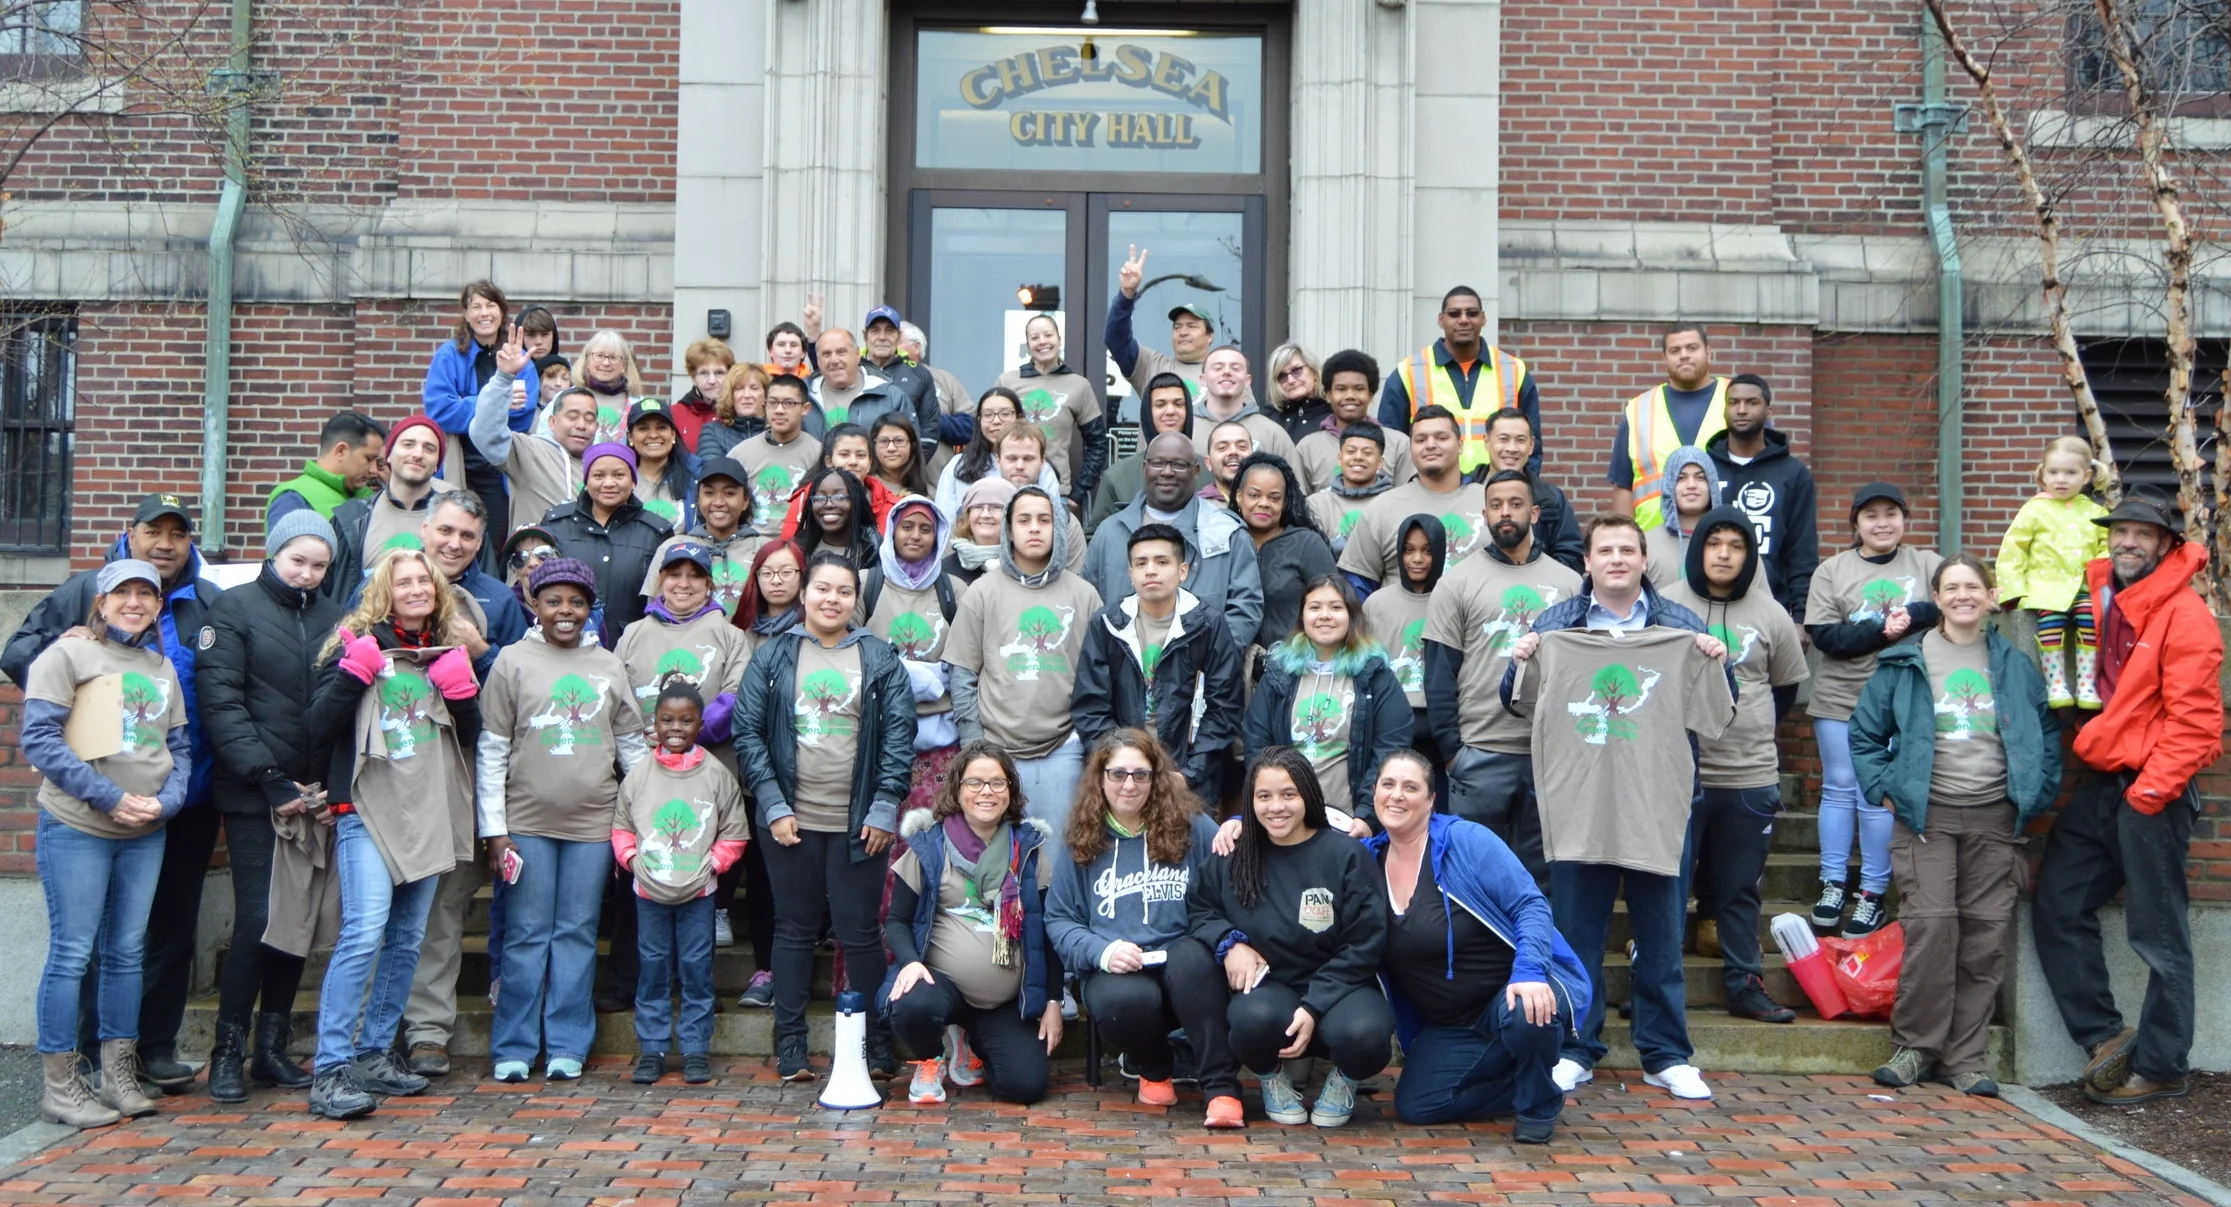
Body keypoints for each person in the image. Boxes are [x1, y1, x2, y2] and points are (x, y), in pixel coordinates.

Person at [1501, 514, 1734, 1102]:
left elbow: (1717, 708)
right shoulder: (1557, 626)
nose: (1617, 559)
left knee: (1661, 935)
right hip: (1580, 805)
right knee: (1576, 934)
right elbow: (1515, 700)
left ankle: (1666, 1054)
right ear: (1587, 562)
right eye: (1605, 550)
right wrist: (1522, 656)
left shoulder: (1679, 625)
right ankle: (1576, 1048)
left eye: (1627, 550)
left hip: (1659, 805)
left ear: (1644, 560)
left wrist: (1715, 658)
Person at [3, 493, 226, 1095]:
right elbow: (18, 651)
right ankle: (79, 1059)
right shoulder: (84, 593)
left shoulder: (208, 601)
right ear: (130, 535)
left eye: (178, 534)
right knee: (93, 942)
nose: (165, 543)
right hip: (93, 799)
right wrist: (73, 654)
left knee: (168, 933)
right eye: (154, 531)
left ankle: (149, 1051)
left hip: (182, 795)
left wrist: (177, 791)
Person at [2034, 493, 2223, 1106]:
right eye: (2121, 532)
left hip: (2152, 789)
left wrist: (2149, 793)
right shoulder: (2104, 598)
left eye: (2144, 534)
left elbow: (2197, 722)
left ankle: (2164, 1064)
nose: (2129, 543)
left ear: (2166, 545)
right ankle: (2106, 1039)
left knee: (2157, 930)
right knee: (2059, 903)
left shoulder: (2185, 613)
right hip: (2104, 781)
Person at [1851, 555, 2060, 1097]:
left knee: (1985, 937)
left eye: (1973, 587)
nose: (1963, 595)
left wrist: (2036, 793)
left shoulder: (2015, 665)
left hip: (1996, 819)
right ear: (1937, 597)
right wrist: (1887, 790)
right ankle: (1917, 1048)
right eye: (1952, 587)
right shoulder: (1905, 660)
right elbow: (1865, 736)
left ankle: (1966, 1057)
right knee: (1932, 928)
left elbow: (2045, 733)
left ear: (1991, 597)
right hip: (1929, 818)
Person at [300, 548, 481, 1120]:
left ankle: (375, 1053)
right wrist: (352, 678)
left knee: (407, 940)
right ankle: (331, 1067)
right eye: (403, 581)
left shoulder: (444, 652)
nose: (416, 588)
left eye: (423, 580)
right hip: (367, 810)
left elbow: (468, 738)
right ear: (385, 590)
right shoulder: (357, 645)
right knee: (363, 933)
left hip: (426, 810)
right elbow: (316, 730)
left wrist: (463, 695)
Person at [20, 559, 191, 1128]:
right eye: (124, 593)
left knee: (126, 953)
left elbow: (180, 748)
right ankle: (61, 1086)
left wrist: (165, 804)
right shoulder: (65, 656)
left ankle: (117, 1074)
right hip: (78, 827)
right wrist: (108, 797)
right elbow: (41, 740)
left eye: (147, 593)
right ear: (101, 602)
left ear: (158, 605)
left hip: (146, 832)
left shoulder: (161, 666)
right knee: (73, 954)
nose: (135, 602)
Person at [736, 552, 915, 1082]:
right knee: (792, 930)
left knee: (861, 933)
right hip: (790, 820)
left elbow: (899, 738)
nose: (832, 599)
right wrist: (772, 804)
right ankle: (790, 1044)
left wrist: (885, 806)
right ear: (803, 594)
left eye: (843, 591)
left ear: (854, 600)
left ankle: (875, 1043)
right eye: (822, 589)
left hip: (860, 823)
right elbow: (748, 733)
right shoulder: (772, 657)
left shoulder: (879, 658)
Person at [477, 557, 649, 1083]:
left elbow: (633, 747)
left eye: (576, 601)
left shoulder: (608, 665)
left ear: (590, 606)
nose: (565, 611)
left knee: (576, 933)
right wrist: (494, 827)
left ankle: (568, 1043)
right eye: (554, 601)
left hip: (593, 826)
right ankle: (513, 1044)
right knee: (527, 935)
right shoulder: (512, 661)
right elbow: (492, 749)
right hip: (525, 824)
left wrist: (641, 815)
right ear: (535, 604)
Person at [194, 513, 345, 1103]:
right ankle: (227, 1049)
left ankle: (271, 1049)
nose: (306, 574)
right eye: (297, 561)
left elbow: (342, 709)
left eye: (319, 565)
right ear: (275, 554)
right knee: (259, 919)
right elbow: (223, 703)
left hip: (313, 797)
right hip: (257, 795)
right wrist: (269, 778)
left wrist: (329, 788)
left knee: (296, 924)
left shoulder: (337, 620)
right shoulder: (234, 611)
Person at [1364, 750, 1590, 1140]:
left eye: (1411, 787)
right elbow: (1301, 835)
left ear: (1431, 799)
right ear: (1374, 794)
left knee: (1527, 1013)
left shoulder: (1465, 841)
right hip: (1452, 1025)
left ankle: (1538, 1101)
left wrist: (1531, 972)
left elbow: (1530, 904)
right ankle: (1518, 1081)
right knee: (1416, 1106)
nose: (1397, 795)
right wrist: (1236, 822)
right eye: (1388, 785)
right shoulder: (1367, 860)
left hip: (1508, 996)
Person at [1656, 505, 1808, 1023]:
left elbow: (1785, 691)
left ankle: (1745, 986)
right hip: (1677, 774)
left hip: (1749, 775)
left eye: (1736, 544)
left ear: (1749, 555)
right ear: (1698, 549)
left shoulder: (1771, 614)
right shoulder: (1665, 606)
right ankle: (1656, 990)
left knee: (1741, 890)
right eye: (1714, 542)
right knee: (1667, 889)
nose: (1724, 553)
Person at [1187, 747, 1392, 1128]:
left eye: (1288, 794)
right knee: (1249, 1021)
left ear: (1308, 796)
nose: (1275, 807)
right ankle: (1271, 1077)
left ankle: (1344, 1080)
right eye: (1263, 796)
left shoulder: (1345, 854)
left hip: (1342, 986)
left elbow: (1365, 941)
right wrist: (1229, 942)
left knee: (1367, 1035)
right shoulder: (1234, 852)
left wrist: (1314, 1005)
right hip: (1272, 985)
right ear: (1250, 802)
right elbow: (1200, 906)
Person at [1045, 731, 1241, 1124]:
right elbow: (1060, 918)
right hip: (1120, 968)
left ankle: (1221, 1090)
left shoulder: (1191, 825)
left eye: (1141, 774)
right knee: (1123, 1002)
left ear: (1158, 778)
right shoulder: (1080, 838)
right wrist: (1101, 951)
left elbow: (1229, 882)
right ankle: (1154, 1068)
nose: (1129, 785)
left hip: (1185, 968)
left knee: (1192, 960)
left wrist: (1237, 823)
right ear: (1100, 778)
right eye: (1117, 774)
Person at [1423, 471, 1584, 874]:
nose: (1505, 513)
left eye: (1514, 504)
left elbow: (1579, 673)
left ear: (1533, 512)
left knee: (1541, 877)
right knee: (1473, 875)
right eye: (1496, 506)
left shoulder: (1569, 584)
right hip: (1478, 752)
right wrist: (1452, 752)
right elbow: (1440, 672)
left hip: (1545, 755)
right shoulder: (1456, 582)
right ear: (1485, 514)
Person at [1804, 482, 1943, 937]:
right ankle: (1832, 882)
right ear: (1856, 524)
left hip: (1901, 700)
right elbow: (1828, 638)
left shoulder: (1926, 563)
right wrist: (1885, 629)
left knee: (1878, 795)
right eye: (1871, 515)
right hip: (1841, 698)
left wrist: (1916, 614)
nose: (1882, 523)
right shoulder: (1832, 569)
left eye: (1891, 514)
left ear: (1904, 519)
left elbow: (1955, 600)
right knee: (1840, 787)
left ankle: (1872, 892)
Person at [887, 741, 1058, 1105]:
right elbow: (897, 921)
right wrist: (911, 963)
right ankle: (931, 1058)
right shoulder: (928, 846)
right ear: (958, 789)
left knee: (1025, 1086)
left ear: (1010, 790)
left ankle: (970, 1043)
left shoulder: (1027, 851)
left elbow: (1047, 931)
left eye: (998, 783)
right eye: (975, 782)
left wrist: (1054, 1000)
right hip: (942, 987)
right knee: (911, 1004)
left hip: (1005, 1004)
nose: (987, 792)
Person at [945, 486, 1104, 841]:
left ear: (1059, 529)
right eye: (1024, 520)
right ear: (1008, 529)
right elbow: (963, 673)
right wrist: (975, 747)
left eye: (1044, 520)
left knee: (1061, 852)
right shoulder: (982, 592)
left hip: (1064, 748)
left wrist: (1086, 740)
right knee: (1000, 859)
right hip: (996, 750)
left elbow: (1097, 676)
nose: (1034, 528)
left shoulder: (1085, 595)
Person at [614, 678, 747, 1086]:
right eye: (666, 720)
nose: (675, 728)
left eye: (685, 720)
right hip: (649, 892)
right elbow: (622, 826)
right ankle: (652, 1048)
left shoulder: (717, 774)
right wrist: (633, 861)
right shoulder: (638, 775)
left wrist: (714, 866)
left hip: (698, 892)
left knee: (695, 968)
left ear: (700, 724)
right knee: (652, 967)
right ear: (653, 723)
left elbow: (734, 830)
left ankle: (694, 1049)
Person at [1071, 524, 1246, 803]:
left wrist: (1190, 773)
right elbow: (1090, 708)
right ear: (1131, 574)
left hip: (1188, 777)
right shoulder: (1107, 625)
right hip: (1121, 778)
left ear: (1183, 571)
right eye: (1141, 563)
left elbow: (1224, 707)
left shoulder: (1208, 625)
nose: (1150, 570)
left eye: (1162, 562)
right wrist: (1123, 768)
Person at [1243, 576, 1412, 825]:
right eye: (1314, 607)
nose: (1324, 615)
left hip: (1350, 817)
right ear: (1302, 617)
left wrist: (1366, 815)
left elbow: (1390, 747)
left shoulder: (1374, 673)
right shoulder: (1280, 673)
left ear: (1352, 615)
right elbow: (1257, 743)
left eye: (1335, 607)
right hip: (1287, 817)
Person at [725, 537, 809, 1006]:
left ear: (803, 578)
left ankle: (796, 966)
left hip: (813, 774)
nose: (776, 581)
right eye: (767, 573)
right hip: (758, 778)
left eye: (786, 572)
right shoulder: (739, 635)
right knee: (761, 877)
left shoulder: (823, 627)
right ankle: (765, 969)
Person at [1085, 431, 1265, 648]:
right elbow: (1089, 606)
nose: (1167, 472)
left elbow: (1246, 608)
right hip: (1121, 672)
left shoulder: (1228, 533)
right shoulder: (1109, 532)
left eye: (1179, 465)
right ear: (1145, 468)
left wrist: (1213, 660)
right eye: (1158, 463)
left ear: (1196, 470)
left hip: (1202, 673)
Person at [862, 497, 968, 813]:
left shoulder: (955, 589)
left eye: (926, 529)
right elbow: (849, 653)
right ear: (892, 531)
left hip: (941, 739)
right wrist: (920, 675)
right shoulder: (866, 583)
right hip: (880, 735)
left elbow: (966, 661)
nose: (915, 535)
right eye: (906, 526)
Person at [1375, 286, 1542, 477]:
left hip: (1497, 492)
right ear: (1441, 319)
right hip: (1431, 490)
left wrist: (1525, 488)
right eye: (1454, 314)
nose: (1463, 320)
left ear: (1483, 318)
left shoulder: (1514, 369)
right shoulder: (1409, 371)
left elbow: (1532, 444)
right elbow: (1389, 444)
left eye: (1471, 313)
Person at [1994, 436, 2110, 708]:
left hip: (2082, 586)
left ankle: (2086, 683)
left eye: (2070, 473)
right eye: (2054, 472)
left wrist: (2096, 572)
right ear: (2042, 474)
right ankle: (2055, 682)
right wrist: (2012, 591)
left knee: (2090, 620)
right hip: (2044, 588)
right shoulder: (2033, 510)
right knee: (2050, 624)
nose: (2061, 479)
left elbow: (2108, 548)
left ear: (2086, 476)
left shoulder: (2096, 512)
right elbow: (2013, 549)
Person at [423, 280, 536, 540]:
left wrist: (466, 402)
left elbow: (524, 413)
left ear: (502, 311)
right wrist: (495, 401)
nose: (484, 313)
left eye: (490, 305)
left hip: (499, 471)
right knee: (454, 536)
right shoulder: (448, 355)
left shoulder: (518, 356)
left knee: (496, 541)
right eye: (476, 307)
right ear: (466, 314)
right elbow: (440, 411)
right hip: (459, 463)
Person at [1703, 374, 1817, 623]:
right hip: (1705, 602)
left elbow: (1802, 551)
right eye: (1733, 403)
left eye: (1751, 403)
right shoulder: (1703, 467)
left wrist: (1800, 616)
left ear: (1768, 411)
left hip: (1771, 606)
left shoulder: (1793, 473)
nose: (1741, 410)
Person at [1337, 406, 1487, 595]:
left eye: (1441, 438)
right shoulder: (1384, 507)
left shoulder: (1490, 502)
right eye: (1420, 440)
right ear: (1411, 448)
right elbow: (1357, 584)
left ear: (1460, 445)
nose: (1430, 445)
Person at [541, 442, 676, 645]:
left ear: (633, 481)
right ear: (586, 480)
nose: (609, 483)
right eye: (598, 476)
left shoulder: (656, 531)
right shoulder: (557, 523)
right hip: (565, 642)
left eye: (619, 475)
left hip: (631, 643)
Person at [473, 328, 597, 536]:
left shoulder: (603, 465)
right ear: (552, 421)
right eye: (572, 416)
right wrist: (504, 378)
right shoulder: (529, 451)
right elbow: (485, 433)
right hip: (532, 565)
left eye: (590, 418)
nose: (582, 425)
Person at [1610, 324, 1729, 530]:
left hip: (1722, 539)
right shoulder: (1639, 409)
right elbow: (1623, 486)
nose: (1684, 355)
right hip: (1654, 540)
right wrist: (1625, 539)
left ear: (1709, 352)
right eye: (1675, 350)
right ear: (1664, 358)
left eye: (1692, 348)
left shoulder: (1737, 400)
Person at [325, 416, 452, 602]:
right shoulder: (351, 518)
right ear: (389, 456)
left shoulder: (458, 522)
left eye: (429, 448)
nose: (418, 454)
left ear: (437, 465)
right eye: (408, 444)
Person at [994, 313, 1107, 507]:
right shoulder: (1008, 381)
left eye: (1048, 335)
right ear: (1027, 344)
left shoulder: (1079, 386)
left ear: (1059, 339)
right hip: (1007, 489)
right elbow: (990, 433)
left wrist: (1079, 490)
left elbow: (1097, 442)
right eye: (1035, 337)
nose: (1042, 342)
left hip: (1055, 493)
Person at [1230, 453, 1335, 648]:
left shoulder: (1307, 543)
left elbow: (1333, 607)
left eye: (1274, 497)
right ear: (1238, 497)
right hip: (1232, 665)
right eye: (1254, 495)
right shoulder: (1225, 540)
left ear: (1285, 502)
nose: (1264, 503)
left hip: (1297, 664)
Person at [638, 456, 764, 618]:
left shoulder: (763, 549)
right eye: (709, 493)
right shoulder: (672, 547)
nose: (718, 502)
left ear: (745, 501)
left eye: (729, 493)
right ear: (698, 499)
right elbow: (654, 611)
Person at [1362, 516, 1442, 757]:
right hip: (1389, 719)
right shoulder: (1376, 603)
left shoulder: (1451, 600)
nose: (1417, 559)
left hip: (1437, 722)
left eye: (1427, 551)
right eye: (1408, 550)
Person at [1087, 374, 1200, 536]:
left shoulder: (1209, 471)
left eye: (1178, 404)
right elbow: (1095, 538)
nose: (1170, 411)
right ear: (1148, 412)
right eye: (1160, 404)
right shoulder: (1117, 476)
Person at [1480, 408, 1583, 574]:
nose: (1512, 448)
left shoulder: (1551, 500)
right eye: (1503, 439)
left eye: (1520, 440)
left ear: (1531, 445)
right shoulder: (1464, 491)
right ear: (1486, 441)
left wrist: (1534, 580)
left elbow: (1571, 555)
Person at [1294, 351, 1412, 494]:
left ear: (1370, 395)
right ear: (1329, 395)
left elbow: (1406, 500)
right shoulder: (1308, 448)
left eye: (1359, 389)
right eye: (1341, 389)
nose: (1350, 396)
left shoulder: (1398, 444)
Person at [1106, 244, 1212, 399]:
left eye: (1192, 326)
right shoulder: (1151, 365)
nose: (1183, 332)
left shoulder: (1226, 375)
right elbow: (1115, 339)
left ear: (1209, 336)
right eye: (1177, 327)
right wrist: (1126, 295)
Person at [936, 387, 1059, 520]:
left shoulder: (1041, 467)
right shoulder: (958, 465)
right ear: (979, 420)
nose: (996, 421)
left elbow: (1054, 519)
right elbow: (945, 519)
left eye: (1005, 414)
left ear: (1019, 417)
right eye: (988, 415)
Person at [735, 373, 824, 539]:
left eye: (789, 403)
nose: (779, 410)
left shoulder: (818, 453)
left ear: (805, 409)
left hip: (801, 542)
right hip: (750, 543)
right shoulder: (740, 454)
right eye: (773, 403)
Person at [267, 411, 386, 530]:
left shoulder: (369, 496)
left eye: (377, 462)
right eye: (369, 459)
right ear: (341, 451)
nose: (374, 470)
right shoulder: (293, 498)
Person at [993, 426, 1090, 573]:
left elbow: (1077, 582)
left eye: (1028, 459)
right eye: (1012, 458)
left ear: (1042, 461)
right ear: (998, 460)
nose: (1019, 466)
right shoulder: (980, 513)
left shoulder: (1066, 522)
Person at [779, 424, 901, 541]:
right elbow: (789, 551)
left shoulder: (892, 506)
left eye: (861, 455)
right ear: (829, 462)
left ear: (870, 463)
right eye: (844, 454)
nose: (853, 461)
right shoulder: (804, 501)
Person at [1190, 347, 1300, 469]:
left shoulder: (1272, 434)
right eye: (1218, 368)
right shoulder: (1186, 430)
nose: (1226, 372)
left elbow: (1294, 486)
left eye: (1235, 368)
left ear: (1248, 380)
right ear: (1203, 379)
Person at [1305, 422, 1398, 557]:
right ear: (1340, 458)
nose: (1358, 457)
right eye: (1351, 451)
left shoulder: (1395, 502)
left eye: (1367, 453)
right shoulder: (1316, 504)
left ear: (1380, 462)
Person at [1642, 447, 1721, 588]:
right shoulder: (1644, 544)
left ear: (1712, 486)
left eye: (1700, 477)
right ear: (1669, 486)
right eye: (1681, 478)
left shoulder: (1734, 543)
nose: (1691, 485)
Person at [626, 398, 700, 531]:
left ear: (672, 434)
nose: (653, 435)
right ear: (630, 437)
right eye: (643, 428)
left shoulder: (697, 477)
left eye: (661, 427)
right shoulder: (619, 480)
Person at [790, 465, 881, 570]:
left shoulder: (877, 551)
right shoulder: (796, 550)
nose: (829, 504)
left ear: (856, 502)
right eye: (820, 498)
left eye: (840, 497)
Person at [573, 329, 648, 447]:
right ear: (587, 361)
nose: (606, 362)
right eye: (599, 356)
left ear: (624, 365)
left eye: (613, 357)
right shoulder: (567, 397)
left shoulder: (638, 404)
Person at [945, 476, 1016, 589]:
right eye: (978, 507)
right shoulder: (945, 570)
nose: (985, 514)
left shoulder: (1024, 566)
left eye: (996, 507)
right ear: (968, 516)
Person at [1263, 342, 1332, 448]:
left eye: (1296, 370)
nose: (1290, 380)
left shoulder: (1334, 414)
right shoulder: (1267, 417)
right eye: (1282, 376)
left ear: (1314, 371)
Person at [673, 337, 736, 453]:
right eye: (704, 373)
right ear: (693, 378)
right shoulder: (675, 414)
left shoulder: (740, 412)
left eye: (719, 373)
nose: (712, 380)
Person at [698, 363, 769, 461]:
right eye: (739, 388)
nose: (747, 395)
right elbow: (712, 471)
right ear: (730, 395)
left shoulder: (777, 431)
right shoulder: (713, 431)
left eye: (754, 388)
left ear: (766, 395)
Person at [869, 413, 932, 501]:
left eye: (899, 440)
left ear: (912, 445)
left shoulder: (924, 494)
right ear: (874, 446)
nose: (891, 448)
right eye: (883, 441)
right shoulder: (866, 487)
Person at [1202, 420, 1254, 504]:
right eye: (1222, 447)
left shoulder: (1269, 505)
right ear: (1209, 463)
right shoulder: (1197, 509)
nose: (1233, 452)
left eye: (1242, 446)